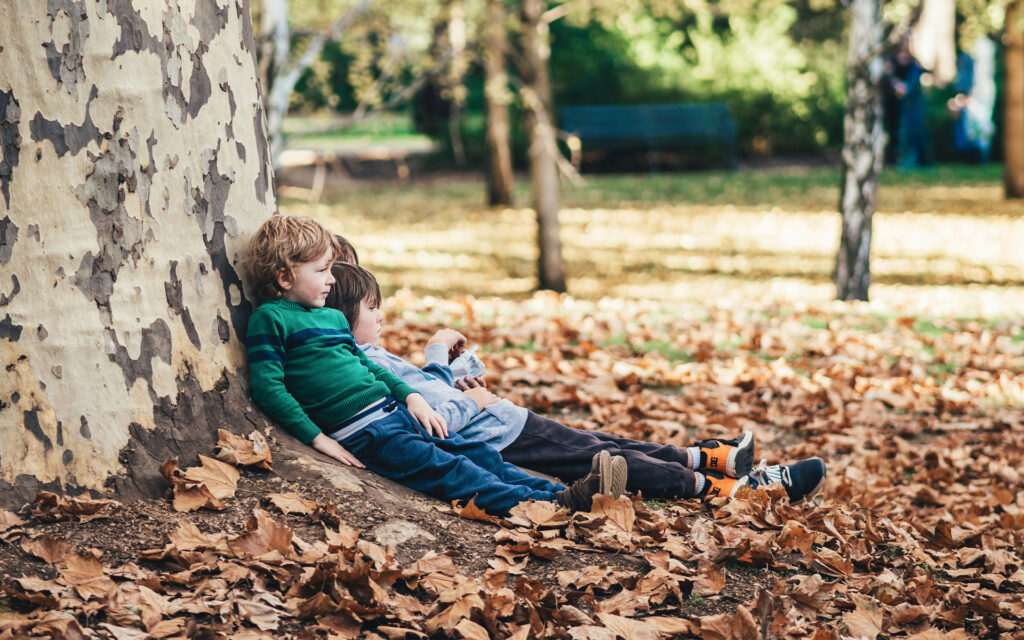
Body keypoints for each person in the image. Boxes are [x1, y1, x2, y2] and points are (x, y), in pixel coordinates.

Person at [326, 259, 828, 505]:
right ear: (345, 316)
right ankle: (729, 490)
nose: (382, 316)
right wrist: (455, 377)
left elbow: (431, 396)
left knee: (605, 443)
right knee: (606, 460)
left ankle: (709, 457)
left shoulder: (365, 354)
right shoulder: (363, 361)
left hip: (503, 421)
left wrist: (458, 377)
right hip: (497, 432)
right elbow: (433, 413)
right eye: (373, 308)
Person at [244, 214, 628, 515]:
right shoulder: (272, 319)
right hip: (367, 434)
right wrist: (317, 438)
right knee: (453, 472)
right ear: (284, 276)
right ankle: (546, 508)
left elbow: (369, 368)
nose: (331, 279)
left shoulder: (330, 318)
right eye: (322, 270)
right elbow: (269, 388)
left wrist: (412, 397)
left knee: (477, 455)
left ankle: (568, 494)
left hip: (396, 413)